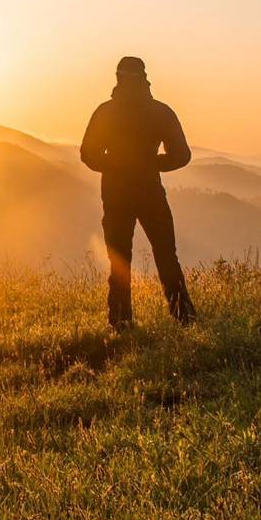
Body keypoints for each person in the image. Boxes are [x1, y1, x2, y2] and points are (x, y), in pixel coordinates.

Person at [79, 56, 195, 329]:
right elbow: (182, 155)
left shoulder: (105, 112)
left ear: (118, 79)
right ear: (144, 78)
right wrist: (152, 163)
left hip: (116, 193)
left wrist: (115, 165)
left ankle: (121, 322)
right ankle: (184, 317)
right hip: (150, 190)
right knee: (166, 255)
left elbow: (88, 154)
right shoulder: (160, 112)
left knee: (119, 258)